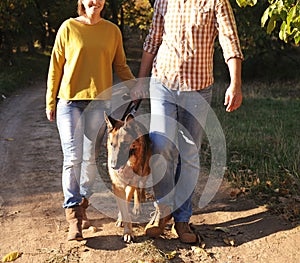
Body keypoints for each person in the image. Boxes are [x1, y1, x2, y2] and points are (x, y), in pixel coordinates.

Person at [131, 0, 243, 243]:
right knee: (161, 146)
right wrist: (141, 81)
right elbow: (153, 39)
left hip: (198, 88)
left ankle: (182, 218)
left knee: (189, 154)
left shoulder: (216, 2)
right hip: (163, 82)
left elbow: (229, 39)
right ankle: (163, 211)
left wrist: (235, 83)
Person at [46, 0, 135, 241]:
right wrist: (50, 101)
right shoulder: (68, 28)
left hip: (99, 104)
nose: (94, 1)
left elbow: (120, 65)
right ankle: (73, 215)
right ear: (81, 2)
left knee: (90, 160)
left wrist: (134, 86)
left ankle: (83, 202)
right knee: (73, 157)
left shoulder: (112, 31)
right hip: (69, 102)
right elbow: (56, 66)